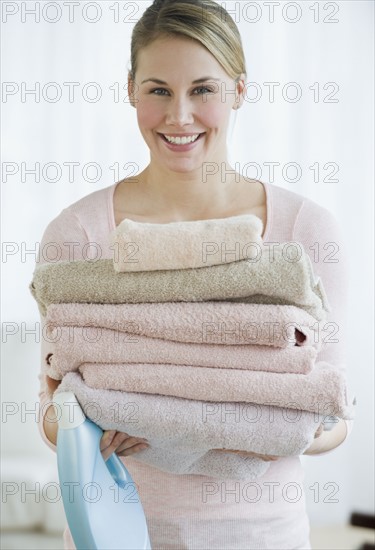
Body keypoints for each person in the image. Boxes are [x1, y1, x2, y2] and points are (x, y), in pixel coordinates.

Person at [35, 0, 352, 548]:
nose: (179, 116)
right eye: (159, 89)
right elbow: (49, 411)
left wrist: (266, 429)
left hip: (261, 535)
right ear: (130, 89)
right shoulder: (78, 234)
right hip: (117, 531)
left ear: (239, 91)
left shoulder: (305, 232)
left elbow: (336, 413)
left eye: (203, 90)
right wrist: (87, 424)